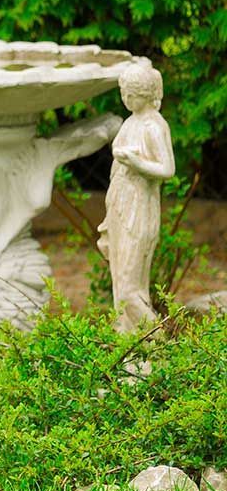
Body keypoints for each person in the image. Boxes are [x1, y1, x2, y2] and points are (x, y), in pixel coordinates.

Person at [98, 64, 175, 333]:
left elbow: (167, 169)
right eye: (124, 94)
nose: (126, 99)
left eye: (131, 95)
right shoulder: (130, 122)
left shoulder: (155, 126)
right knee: (120, 284)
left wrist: (136, 162)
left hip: (139, 207)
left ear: (144, 93)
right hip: (119, 202)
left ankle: (158, 341)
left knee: (130, 288)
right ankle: (127, 344)